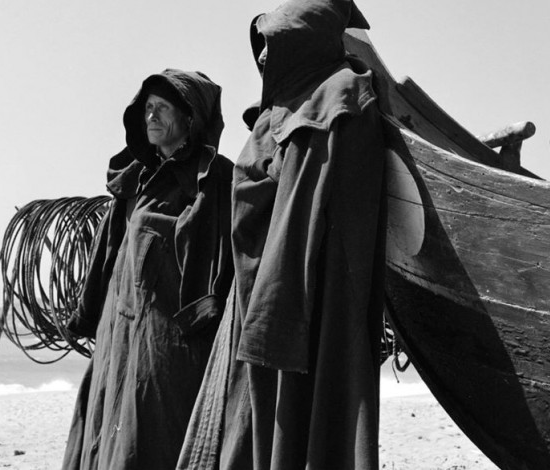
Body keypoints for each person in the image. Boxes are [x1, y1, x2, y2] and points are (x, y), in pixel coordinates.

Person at [178, 1, 386, 469]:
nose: (264, 57)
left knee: (300, 424)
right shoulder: (277, 110)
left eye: (274, 42)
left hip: (300, 297)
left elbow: (304, 215)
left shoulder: (339, 98)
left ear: (304, 40)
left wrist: (274, 310)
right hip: (251, 294)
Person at [62, 69, 234, 470]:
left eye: (162, 109)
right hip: (119, 332)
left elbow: (229, 258)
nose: (151, 117)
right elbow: (108, 253)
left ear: (190, 117)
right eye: (148, 109)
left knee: (156, 436)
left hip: (172, 342)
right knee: (105, 433)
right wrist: (88, 317)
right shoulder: (135, 178)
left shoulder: (216, 180)